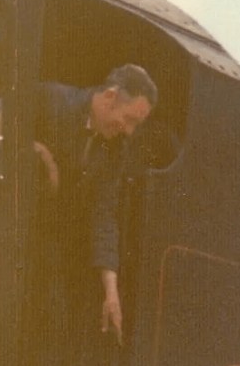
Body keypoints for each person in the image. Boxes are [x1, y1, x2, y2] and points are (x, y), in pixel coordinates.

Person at [32, 64, 158, 343]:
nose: (129, 131)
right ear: (110, 96)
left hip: (49, 247)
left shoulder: (115, 148)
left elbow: (104, 214)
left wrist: (111, 293)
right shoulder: (50, 100)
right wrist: (34, 151)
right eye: (129, 120)